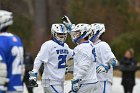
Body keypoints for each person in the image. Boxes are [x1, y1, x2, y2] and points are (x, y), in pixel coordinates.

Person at [29, 23, 73, 93]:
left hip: (60, 80)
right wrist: (34, 73)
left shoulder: (65, 46)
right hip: (49, 81)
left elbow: (76, 54)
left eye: (64, 34)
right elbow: (39, 59)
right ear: (53, 33)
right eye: (59, 34)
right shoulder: (48, 45)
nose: (62, 36)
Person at [0, 10, 24, 93]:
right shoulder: (16, 39)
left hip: (6, 88)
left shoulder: (1, 40)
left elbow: (1, 68)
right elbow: (22, 67)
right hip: (18, 87)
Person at [89, 23, 118, 93]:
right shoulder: (89, 46)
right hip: (93, 82)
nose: (89, 34)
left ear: (98, 33)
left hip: (103, 81)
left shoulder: (103, 45)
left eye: (91, 32)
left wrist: (106, 66)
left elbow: (114, 61)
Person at [70, 23, 98, 93]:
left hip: (85, 82)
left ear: (84, 33)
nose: (75, 35)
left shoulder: (81, 48)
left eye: (78, 33)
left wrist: (77, 79)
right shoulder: (90, 44)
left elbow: (84, 66)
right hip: (92, 80)